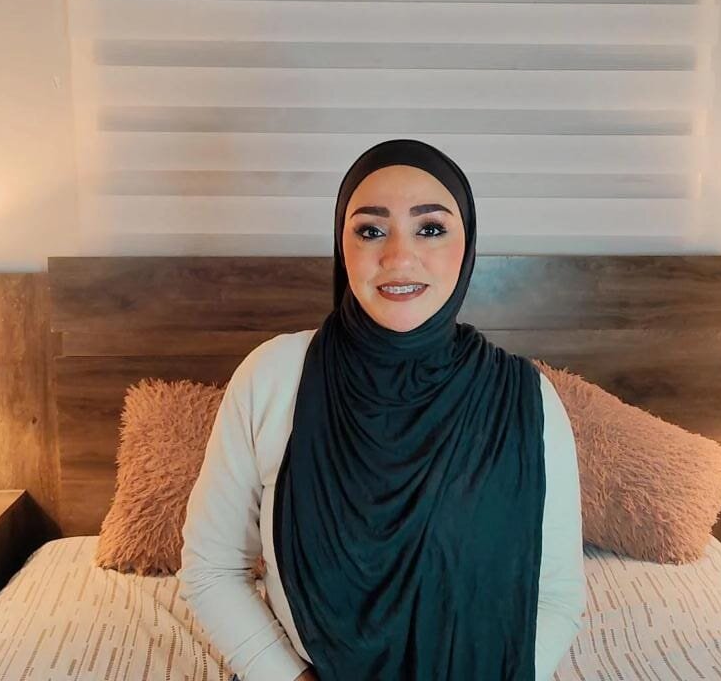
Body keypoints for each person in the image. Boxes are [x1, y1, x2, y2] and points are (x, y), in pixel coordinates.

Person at [178, 139, 586, 681]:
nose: (398, 257)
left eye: (430, 229)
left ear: (467, 245)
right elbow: (212, 570)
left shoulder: (527, 401)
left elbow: (556, 596)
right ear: (341, 245)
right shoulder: (273, 377)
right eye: (371, 231)